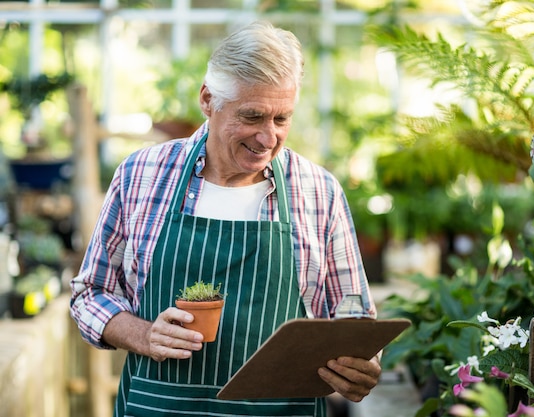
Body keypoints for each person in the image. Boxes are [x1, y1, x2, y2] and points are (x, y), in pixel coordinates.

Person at [70, 20, 380, 417]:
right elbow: (90, 292)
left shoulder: (318, 190)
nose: (268, 138)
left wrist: (363, 365)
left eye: (282, 119)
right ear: (208, 100)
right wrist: (144, 335)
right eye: (252, 117)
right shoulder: (142, 175)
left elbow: (352, 311)